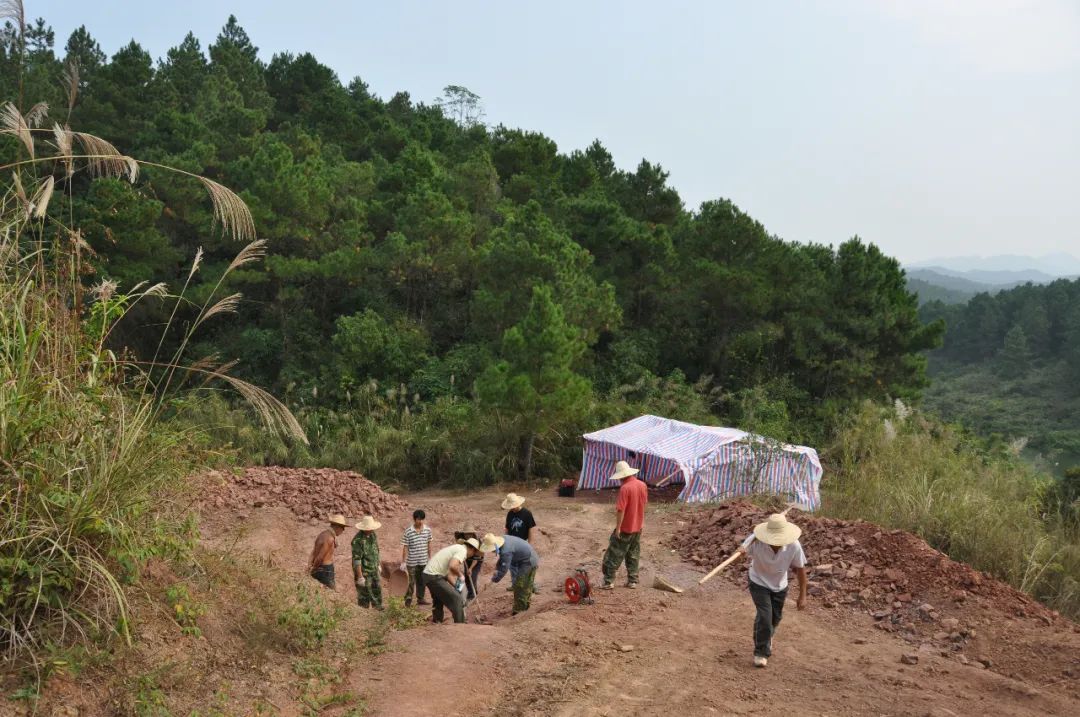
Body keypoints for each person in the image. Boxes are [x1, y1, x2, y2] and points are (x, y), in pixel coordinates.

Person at [736, 512, 808, 668]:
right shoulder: (755, 541)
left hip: (780, 586)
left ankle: (766, 636)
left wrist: (803, 596)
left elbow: (801, 571)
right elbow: (738, 555)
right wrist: (740, 553)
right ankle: (761, 652)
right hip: (758, 582)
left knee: (774, 619)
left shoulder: (794, 546)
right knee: (765, 616)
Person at [423, 536, 498, 623]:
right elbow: (452, 566)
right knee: (456, 599)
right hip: (434, 576)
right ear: (472, 549)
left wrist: (457, 587)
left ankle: (437, 621)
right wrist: (460, 575)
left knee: (438, 599)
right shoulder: (462, 551)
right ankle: (460, 624)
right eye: (474, 553)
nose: (472, 556)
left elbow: (449, 575)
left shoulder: (457, 548)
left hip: (428, 574)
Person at [600, 461, 648, 589]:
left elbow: (621, 510)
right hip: (638, 527)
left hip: (626, 528)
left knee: (614, 554)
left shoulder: (625, 488)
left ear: (621, 476)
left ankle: (608, 581)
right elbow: (644, 503)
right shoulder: (642, 485)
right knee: (633, 553)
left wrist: (618, 528)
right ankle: (633, 580)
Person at [487, 533, 539, 615]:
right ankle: (524, 606)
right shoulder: (503, 540)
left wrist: (495, 579)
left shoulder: (506, 550)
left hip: (529, 561)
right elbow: (501, 560)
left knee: (520, 585)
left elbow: (504, 568)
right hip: (525, 559)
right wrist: (496, 569)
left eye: (491, 550)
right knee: (525, 585)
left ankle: (519, 611)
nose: (492, 551)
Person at [503, 493, 540, 593]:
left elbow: (531, 529)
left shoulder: (527, 513)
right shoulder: (510, 514)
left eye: (512, 506)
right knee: (513, 565)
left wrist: (530, 544)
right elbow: (507, 528)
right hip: (511, 544)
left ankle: (532, 585)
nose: (511, 508)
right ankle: (515, 584)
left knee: (527, 565)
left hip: (523, 543)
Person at [400, 509, 433, 607]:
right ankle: (408, 601)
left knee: (422, 581)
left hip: (423, 561)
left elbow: (429, 543)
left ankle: (420, 598)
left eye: (422, 519)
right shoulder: (408, 531)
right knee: (410, 582)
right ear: (414, 519)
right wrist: (403, 561)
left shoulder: (427, 530)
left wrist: (430, 558)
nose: (421, 521)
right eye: (419, 519)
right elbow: (405, 547)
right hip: (412, 562)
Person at [351, 515, 383, 609]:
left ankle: (378, 609)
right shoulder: (357, 540)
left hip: (374, 570)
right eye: (369, 528)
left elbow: (376, 550)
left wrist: (378, 564)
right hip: (364, 572)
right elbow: (357, 560)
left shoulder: (373, 535)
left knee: (376, 590)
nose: (371, 530)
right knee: (364, 594)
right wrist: (360, 576)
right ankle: (363, 613)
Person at [308, 514, 348, 588]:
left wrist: (310, 565)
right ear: (337, 527)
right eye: (343, 528)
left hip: (319, 567)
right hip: (325, 569)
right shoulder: (329, 538)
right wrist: (313, 568)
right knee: (330, 591)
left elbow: (313, 552)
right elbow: (320, 557)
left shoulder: (322, 534)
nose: (343, 531)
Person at [453, 523, 484, 602]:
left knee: (472, 576)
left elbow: (477, 557)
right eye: (466, 534)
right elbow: (457, 539)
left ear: (473, 533)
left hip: (477, 560)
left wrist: (470, 568)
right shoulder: (462, 538)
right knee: (466, 578)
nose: (468, 536)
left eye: (470, 534)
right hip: (467, 558)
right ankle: (471, 592)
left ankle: (472, 594)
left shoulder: (478, 542)